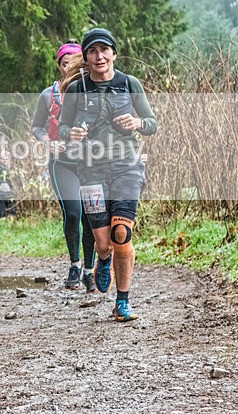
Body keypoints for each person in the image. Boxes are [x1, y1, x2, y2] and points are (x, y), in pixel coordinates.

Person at [57, 28, 158, 321]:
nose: (99, 56)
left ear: (113, 53)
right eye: (93, 51)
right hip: (90, 170)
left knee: (121, 233)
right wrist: (71, 132)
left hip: (127, 166)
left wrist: (137, 123)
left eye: (104, 50)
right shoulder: (77, 89)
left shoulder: (130, 83)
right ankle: (103, 259)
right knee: (103, 243)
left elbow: (153, 123)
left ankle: (122, 301)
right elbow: (63, 127)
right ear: (86, 58)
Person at [31, 42, 96, 291]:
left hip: (89, 162)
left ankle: (89, 271)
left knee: (91, 217)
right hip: (61, 163)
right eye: (64, 62)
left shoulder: (90, 92)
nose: (69, 66)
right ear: (59, 66)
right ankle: (74, 265)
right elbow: (36, 126)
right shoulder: (48, 94)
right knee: (73, 212)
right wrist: (48, 141)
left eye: (74, 61)